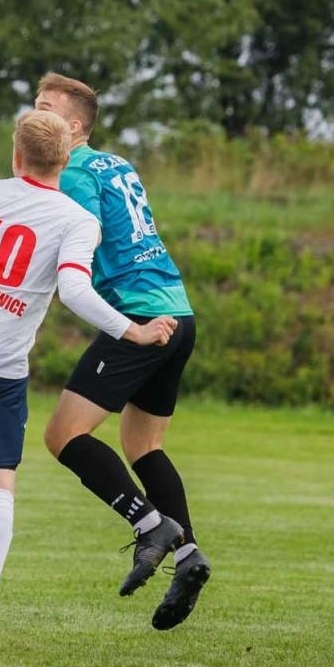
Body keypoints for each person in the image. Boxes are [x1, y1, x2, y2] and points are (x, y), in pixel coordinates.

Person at [0, 109, 177, 653]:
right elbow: (77, 295)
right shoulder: (77, 220)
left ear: (16, 155)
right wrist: (135, 332)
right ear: (65, 160)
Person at [34, 72, 212, 631]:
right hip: (177, 312)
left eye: (46, 107)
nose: (34, 115)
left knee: (63, 436)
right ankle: (189, 557)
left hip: (139, 316)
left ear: (74, 126)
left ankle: (149, 525)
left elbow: (71, 251)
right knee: (143, 444)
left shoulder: (77, 173)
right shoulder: (117, 163)